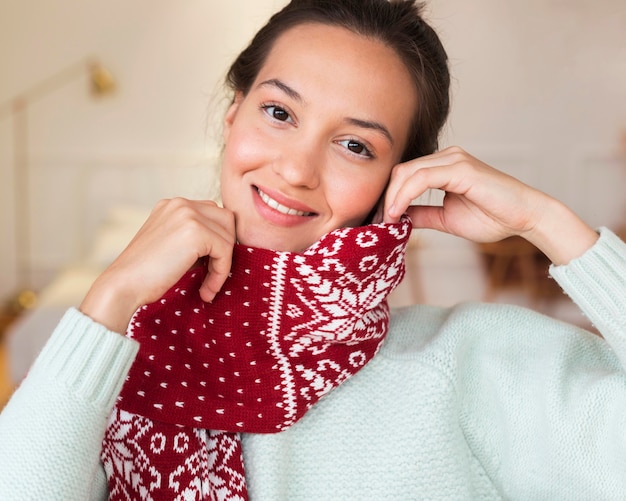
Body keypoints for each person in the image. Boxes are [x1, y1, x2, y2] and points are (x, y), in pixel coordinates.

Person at [1, 0, 625, 499]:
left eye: (355, 145)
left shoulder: (463, 364)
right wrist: (110, 298)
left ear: (399, 180)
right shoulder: (108, 363)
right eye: (278, 111)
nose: (297, 169)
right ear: (233, 115)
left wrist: (551, 224)